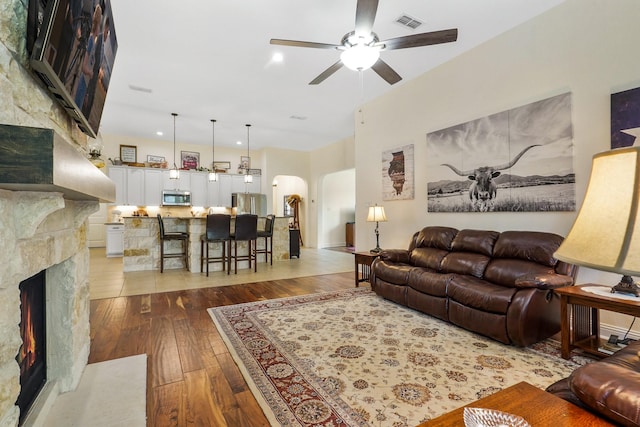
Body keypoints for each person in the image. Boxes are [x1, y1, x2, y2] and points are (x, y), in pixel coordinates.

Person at [73, 4, 101, 110]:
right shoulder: (90, 42)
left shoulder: (92, 43)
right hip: (82, 83)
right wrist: (90, 73)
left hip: (85, 85)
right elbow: (84, 67)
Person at [83, 15, 109, 118]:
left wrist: (100, 69)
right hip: (90, 80)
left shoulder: (102, 43)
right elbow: (92, 62)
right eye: (108, 32)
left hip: (93, 81)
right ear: (106, 28)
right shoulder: (99, 40)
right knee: (85, 106)